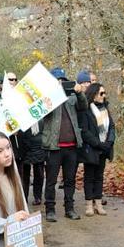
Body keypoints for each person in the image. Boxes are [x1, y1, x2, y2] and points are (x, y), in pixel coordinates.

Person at [41, 68, 84, 222]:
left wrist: (79, 92)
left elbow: (83, 106)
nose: (61, 83)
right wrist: (53, 94)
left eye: (63, 80)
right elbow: (42, 114)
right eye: (58, 80)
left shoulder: (71, 97)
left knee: (70, 180)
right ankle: (50, 210)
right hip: (54, 148)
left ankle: (69, 208)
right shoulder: (47, 99)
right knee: (51, 181)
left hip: (71, 146)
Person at [79, 83, 114, 217]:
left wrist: (109, 142)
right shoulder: (87, 110)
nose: (104, 96)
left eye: (104, 93)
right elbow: (85, 131)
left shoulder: (106, 109)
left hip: (104, 149)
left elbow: (112, 127)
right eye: (101, 93)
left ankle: (98, 203)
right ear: (94, 94)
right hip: (92, 148)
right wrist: (98, 144)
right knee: (89, 177)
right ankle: (89, 204)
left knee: (99, 177)